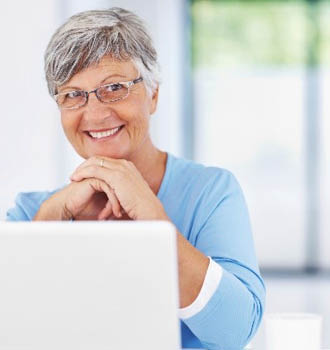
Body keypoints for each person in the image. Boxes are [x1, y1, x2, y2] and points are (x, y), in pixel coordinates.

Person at [6, 8, 265, 349]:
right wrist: (51, 215)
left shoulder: (211, 193)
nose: (95, 113)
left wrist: (154, 218)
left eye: (114, 87)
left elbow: (235, 331)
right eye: (73, 94)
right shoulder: (30, 213)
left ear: (153, 93)